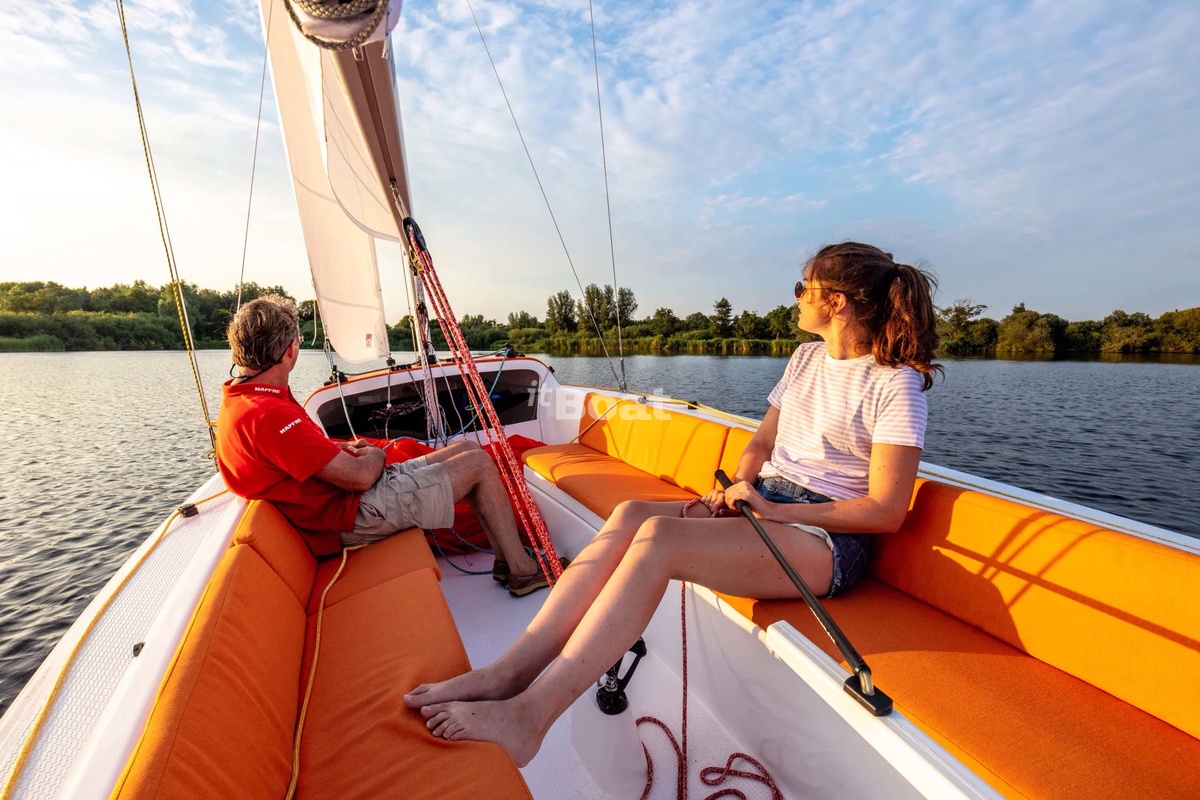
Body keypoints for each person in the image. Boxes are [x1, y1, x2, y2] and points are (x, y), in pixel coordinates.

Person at [402, 242, 942, 765]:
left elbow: (885, 510)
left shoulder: (897, 383)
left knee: (659, 540)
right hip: (766, 504)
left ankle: (530, 717)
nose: (796, 297)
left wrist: (776, 510)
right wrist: (734, 491)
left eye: (804, 288)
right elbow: (760, 444)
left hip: (828, 539)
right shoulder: (805, 359)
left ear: (836, 302)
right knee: (631, 514)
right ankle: (508, 673)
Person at [215, 295, 551, 596]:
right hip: (354, 514)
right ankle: (522, 570)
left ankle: (505, 561)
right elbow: (360, 478)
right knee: (479, 466)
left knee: (469, 450)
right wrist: (374, 454)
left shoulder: (243, 400)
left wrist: (347, 452)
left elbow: (306, 460)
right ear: (289, 351)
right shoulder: (267, 414)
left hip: (345, 504)